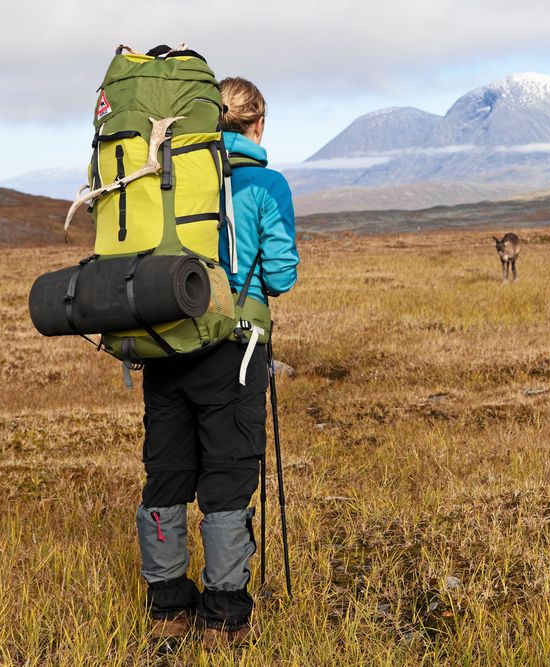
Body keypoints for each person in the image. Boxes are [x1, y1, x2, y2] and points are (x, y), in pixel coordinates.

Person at [135, 76, 298, 651]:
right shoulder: (266, 183)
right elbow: (280, 275)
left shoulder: (169, 178)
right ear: (257, 125)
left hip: (166, 346)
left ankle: (166, 613)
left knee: (167, 475)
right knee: (227, 485)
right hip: (236, 351)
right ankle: (223, 620)